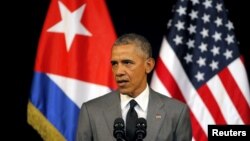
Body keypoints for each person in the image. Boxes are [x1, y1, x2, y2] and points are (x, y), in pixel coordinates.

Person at [76, 33, 192, 141]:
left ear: (148, 65)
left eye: (127, 62)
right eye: (115, 64)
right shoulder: (91, 111)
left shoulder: (176, 112)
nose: (119, 71)